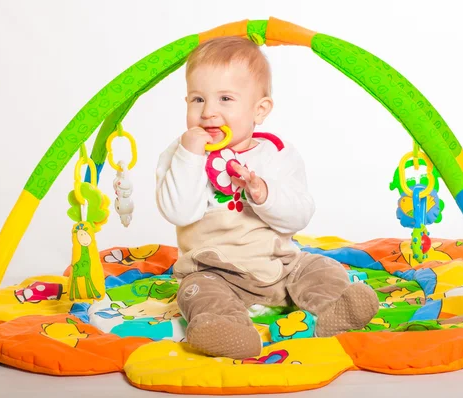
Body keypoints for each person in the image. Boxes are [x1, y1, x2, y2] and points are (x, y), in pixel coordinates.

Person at [155, 35, 378, 359]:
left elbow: (300, 214)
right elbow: (179, 212)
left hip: (281, 266)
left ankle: (337, 309)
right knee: (196, 293)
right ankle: (226, 330)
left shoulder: (277, 155)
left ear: (259, 110)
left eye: (225, 99)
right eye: (197, 100)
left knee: (321, 268)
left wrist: (264, 194)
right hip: (213, 272)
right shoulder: (180, 156)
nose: (208, 112)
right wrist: (190, 156)